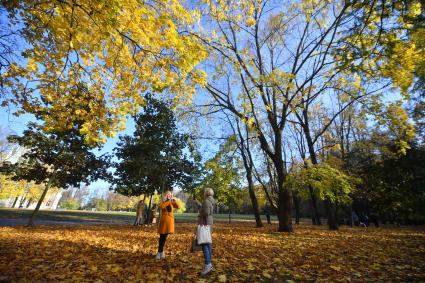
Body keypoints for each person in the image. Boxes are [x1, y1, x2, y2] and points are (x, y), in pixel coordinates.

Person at [197, 187, 215, 276]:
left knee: (204, 243)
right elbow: (206, 209)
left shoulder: (206, 201)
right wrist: (198, 204)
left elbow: (206, 212)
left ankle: (208, 264)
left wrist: (199, 214)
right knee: (208, 243)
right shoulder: (211, 201)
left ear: (206, 193)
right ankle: (209, 264)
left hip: (205, 223)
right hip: (209, 222)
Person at [155, 191, 179, 260]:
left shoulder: (171, 201)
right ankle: (159, 252)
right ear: (165, 195)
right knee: (162, 237)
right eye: (168, 194)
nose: (169, 195)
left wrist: (174, 201)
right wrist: (168, 201)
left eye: (170, 194)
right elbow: (162, 206)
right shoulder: (163, 201)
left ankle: (161, 252)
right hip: (164, 222)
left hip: (169, 222)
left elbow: (178, 207)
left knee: (164, 237)